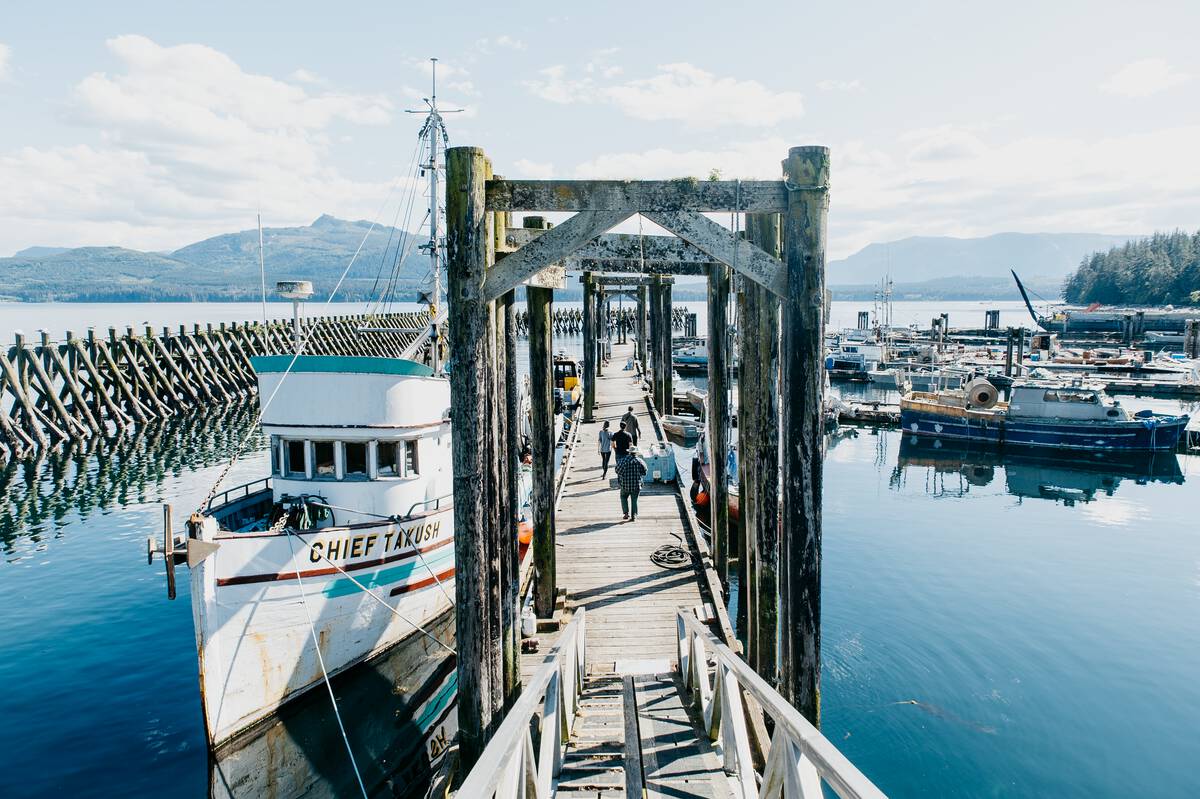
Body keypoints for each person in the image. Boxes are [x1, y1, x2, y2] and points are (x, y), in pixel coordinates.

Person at [615, 447, 647, 521]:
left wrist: (622, 474)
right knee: (634, 500)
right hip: (636, 485)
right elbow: (644, 472)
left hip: (625, 484)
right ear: (636, 453)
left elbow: (617, 470)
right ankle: (634, 515)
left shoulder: (623, 460)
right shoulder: (640, 461)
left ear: (629, 452)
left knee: (623, 497)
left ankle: (626, 513)